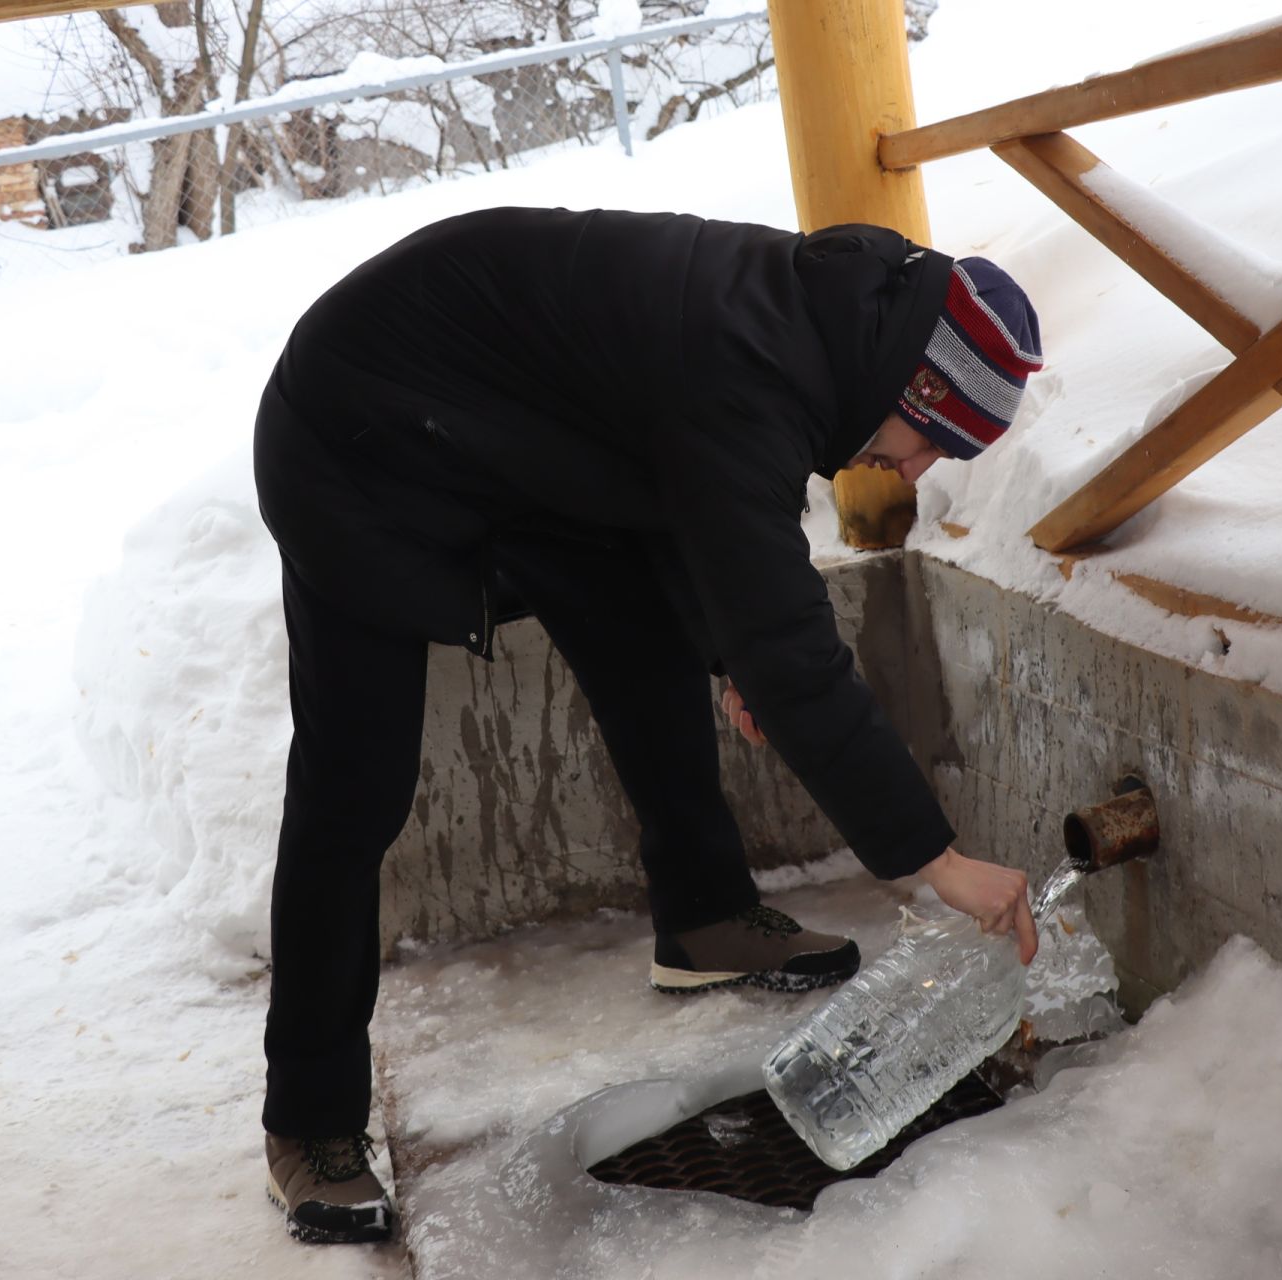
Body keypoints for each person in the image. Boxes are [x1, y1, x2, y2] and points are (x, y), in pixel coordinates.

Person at [251, 206, 1045, 1245]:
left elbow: (686, 494)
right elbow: (790, 639)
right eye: (933, 437)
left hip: (504, 433)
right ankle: (307, 1121)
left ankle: (704, 914)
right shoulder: (757, 367)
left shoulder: (812, 325)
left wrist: (730, 650)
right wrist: (937, 861)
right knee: (356, 786)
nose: (917, 466)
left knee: (644, 629)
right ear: (914, 383)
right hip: (355, 438)